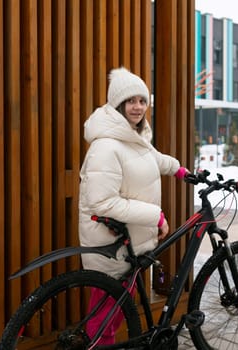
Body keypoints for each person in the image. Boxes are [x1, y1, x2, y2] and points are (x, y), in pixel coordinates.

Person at [79, 67, 188, 345]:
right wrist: (156, 216)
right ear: (118, 104)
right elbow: (102, 202)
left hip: (128, 240)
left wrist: (180, 170)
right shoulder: (106, 145)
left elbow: (152, 157)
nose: (138, 107)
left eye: (142, 100)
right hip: (110, 242)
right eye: (131, 101)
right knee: (106, 315)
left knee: (114, 311)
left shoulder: (132, 137)